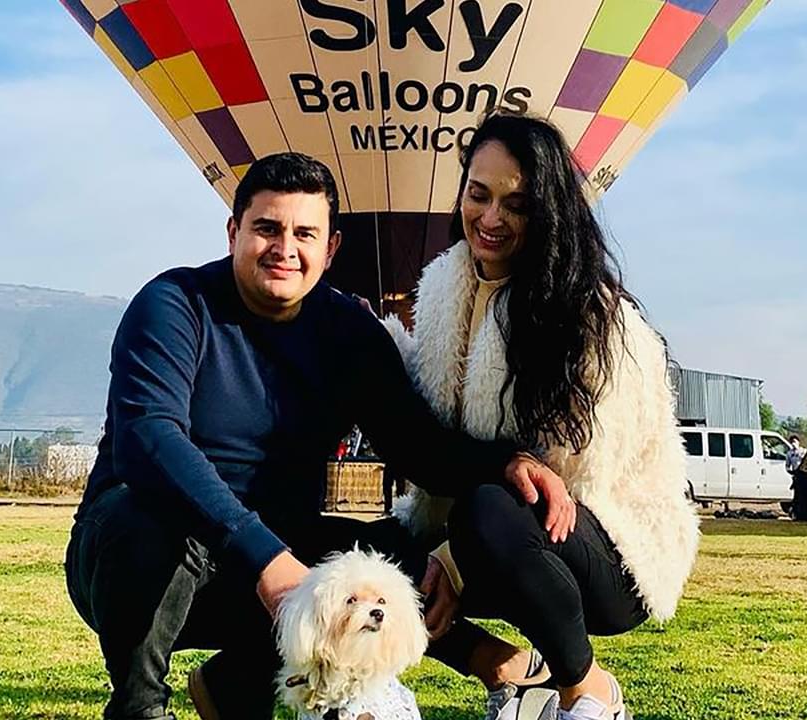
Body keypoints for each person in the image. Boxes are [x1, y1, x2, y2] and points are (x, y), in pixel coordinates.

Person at [62, 152, 569, 720]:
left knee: (390, 559)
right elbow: (148, 441)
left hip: (281, 570)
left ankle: (240, 680)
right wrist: (263, 555)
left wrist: (504, 463)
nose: (285, 249)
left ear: (330, 250)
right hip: (136, 563)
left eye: (305, 233)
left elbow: (417, 445)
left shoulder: (347, 330)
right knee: (147, 518)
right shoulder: (175, 304)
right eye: (267, 229)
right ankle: (139, 706)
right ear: (234, 232)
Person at [386, 113, 699, 720]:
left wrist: (452, 559)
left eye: (518, 203)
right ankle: (508, 671)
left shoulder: (590, 316)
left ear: (549, 210)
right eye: (479, 194)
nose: (492, 218)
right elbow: (431, 437)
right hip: (484, 539)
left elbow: (577, 484)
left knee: (487, 511)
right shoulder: (444, 287)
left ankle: (588, 689)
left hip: (603, 546)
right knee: (365, 556)